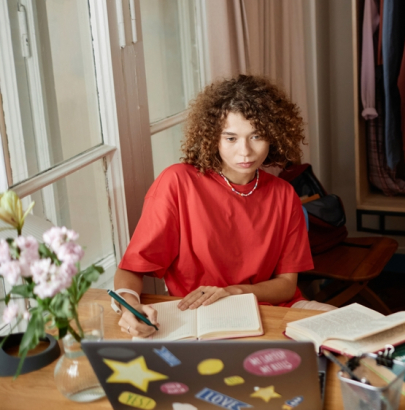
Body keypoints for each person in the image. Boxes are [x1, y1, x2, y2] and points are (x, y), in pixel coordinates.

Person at [112, 75, 334, 338]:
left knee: (361, 341)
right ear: (212, 137)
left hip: (277, 310)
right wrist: (130, 306)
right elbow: (132, 268)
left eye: (257, 136)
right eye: (231, 138)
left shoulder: (283, 194)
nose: (245, 152)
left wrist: (234, 291)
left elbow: (286, 286)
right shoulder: (178, 183)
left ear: (274, 135)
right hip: (201, 320)